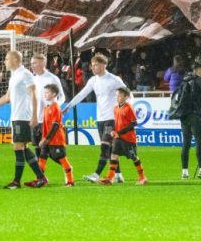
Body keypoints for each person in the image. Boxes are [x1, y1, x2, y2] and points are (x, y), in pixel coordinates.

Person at [0, 50, 47, 189]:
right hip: (17, 116)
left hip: (23, 116)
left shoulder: (25, 74)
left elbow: (34, 94)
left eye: (7, 59)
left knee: (18, 147)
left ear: (16, 60)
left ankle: (17, 182)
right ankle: (41, 177)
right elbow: (7, 97)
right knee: (23, 148)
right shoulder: (14, 76)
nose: (5, 61)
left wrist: (35, 115)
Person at [63, 53, 127, 183]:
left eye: (96, 65)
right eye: (92, 65)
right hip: (100, 118)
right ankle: (118, 174)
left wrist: (125, 111)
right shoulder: (93, 80)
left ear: (104, 65)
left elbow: (128, 94)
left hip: (111, 118)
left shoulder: (114, 79)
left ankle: (96, 174)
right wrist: (69, 106)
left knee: (104, 146)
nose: (93, 67)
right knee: (109, 148)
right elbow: (82, 94)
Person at [171, 59, 201, 180]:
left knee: (186, 144)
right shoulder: (198, 80)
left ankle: (184, 172)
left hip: (184, 115)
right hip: (195, 115)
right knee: (199, 143)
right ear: (199, 70)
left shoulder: (186, 80)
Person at [100, 87, 147, 185]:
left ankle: (142, 177)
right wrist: (113, 130)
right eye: (118, 95)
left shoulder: (128, 107)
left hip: (128, 138)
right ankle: (110, 177)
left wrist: (119, 132)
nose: (118, 97)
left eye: (121, 95)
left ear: (126, 97)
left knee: (133, 157)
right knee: (113, 154)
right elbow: (116, 122)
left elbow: (134, 123)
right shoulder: (116, 107)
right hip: (118, 137)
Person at [37, 83, 74, 187]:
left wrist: (46, 139)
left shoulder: (55, 107)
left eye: (47, 92)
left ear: (54, 94)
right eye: (44, 92)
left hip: (56, 139)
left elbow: (55, 126)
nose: (45, 94)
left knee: (61, 157)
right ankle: (40, 179)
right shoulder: (47, 107)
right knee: (42, 157)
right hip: (47, 139)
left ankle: (70, 181)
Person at [31, 53, 65, 143]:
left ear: (42, 64)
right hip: (35, 119)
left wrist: (54, 108)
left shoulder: (52, 78)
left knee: (50, 150)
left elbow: (62, 97)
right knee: (37, 148)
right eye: (31, 63)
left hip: (48, 120)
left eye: (34, 63)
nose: (32, 66)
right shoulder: (33, 79)